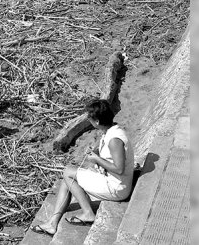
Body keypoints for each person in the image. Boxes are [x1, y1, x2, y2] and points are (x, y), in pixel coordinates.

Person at [30, 99, 135, 235]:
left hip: (117, 188)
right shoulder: (111, 130)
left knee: (68, 172)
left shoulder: (114, 139)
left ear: (96, 121)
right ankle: (52, 223)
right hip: (114, 181)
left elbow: (119, 168)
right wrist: (97, 153)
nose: (89, 121)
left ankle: (88, 213)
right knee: (66, 180)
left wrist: (97, 159)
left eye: (90, 119)